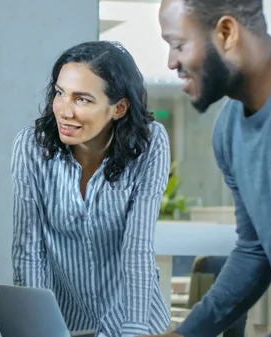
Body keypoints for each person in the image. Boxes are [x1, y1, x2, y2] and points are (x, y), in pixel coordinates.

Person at [144, 0, 271, 336]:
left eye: (179, 44)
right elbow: (255, 250)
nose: (171, 61)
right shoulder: (229, 129)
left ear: (226, 32)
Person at [11, 40, 171, 337]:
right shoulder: (31, 147)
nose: (64, 111)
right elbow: (29, 251)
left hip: (136, 319)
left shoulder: (151, 145)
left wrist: (134, 331)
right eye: (60, 94)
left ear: (119, 108)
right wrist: (32, 330)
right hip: (70, 324)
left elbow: (137, 248)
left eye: (82, 99)